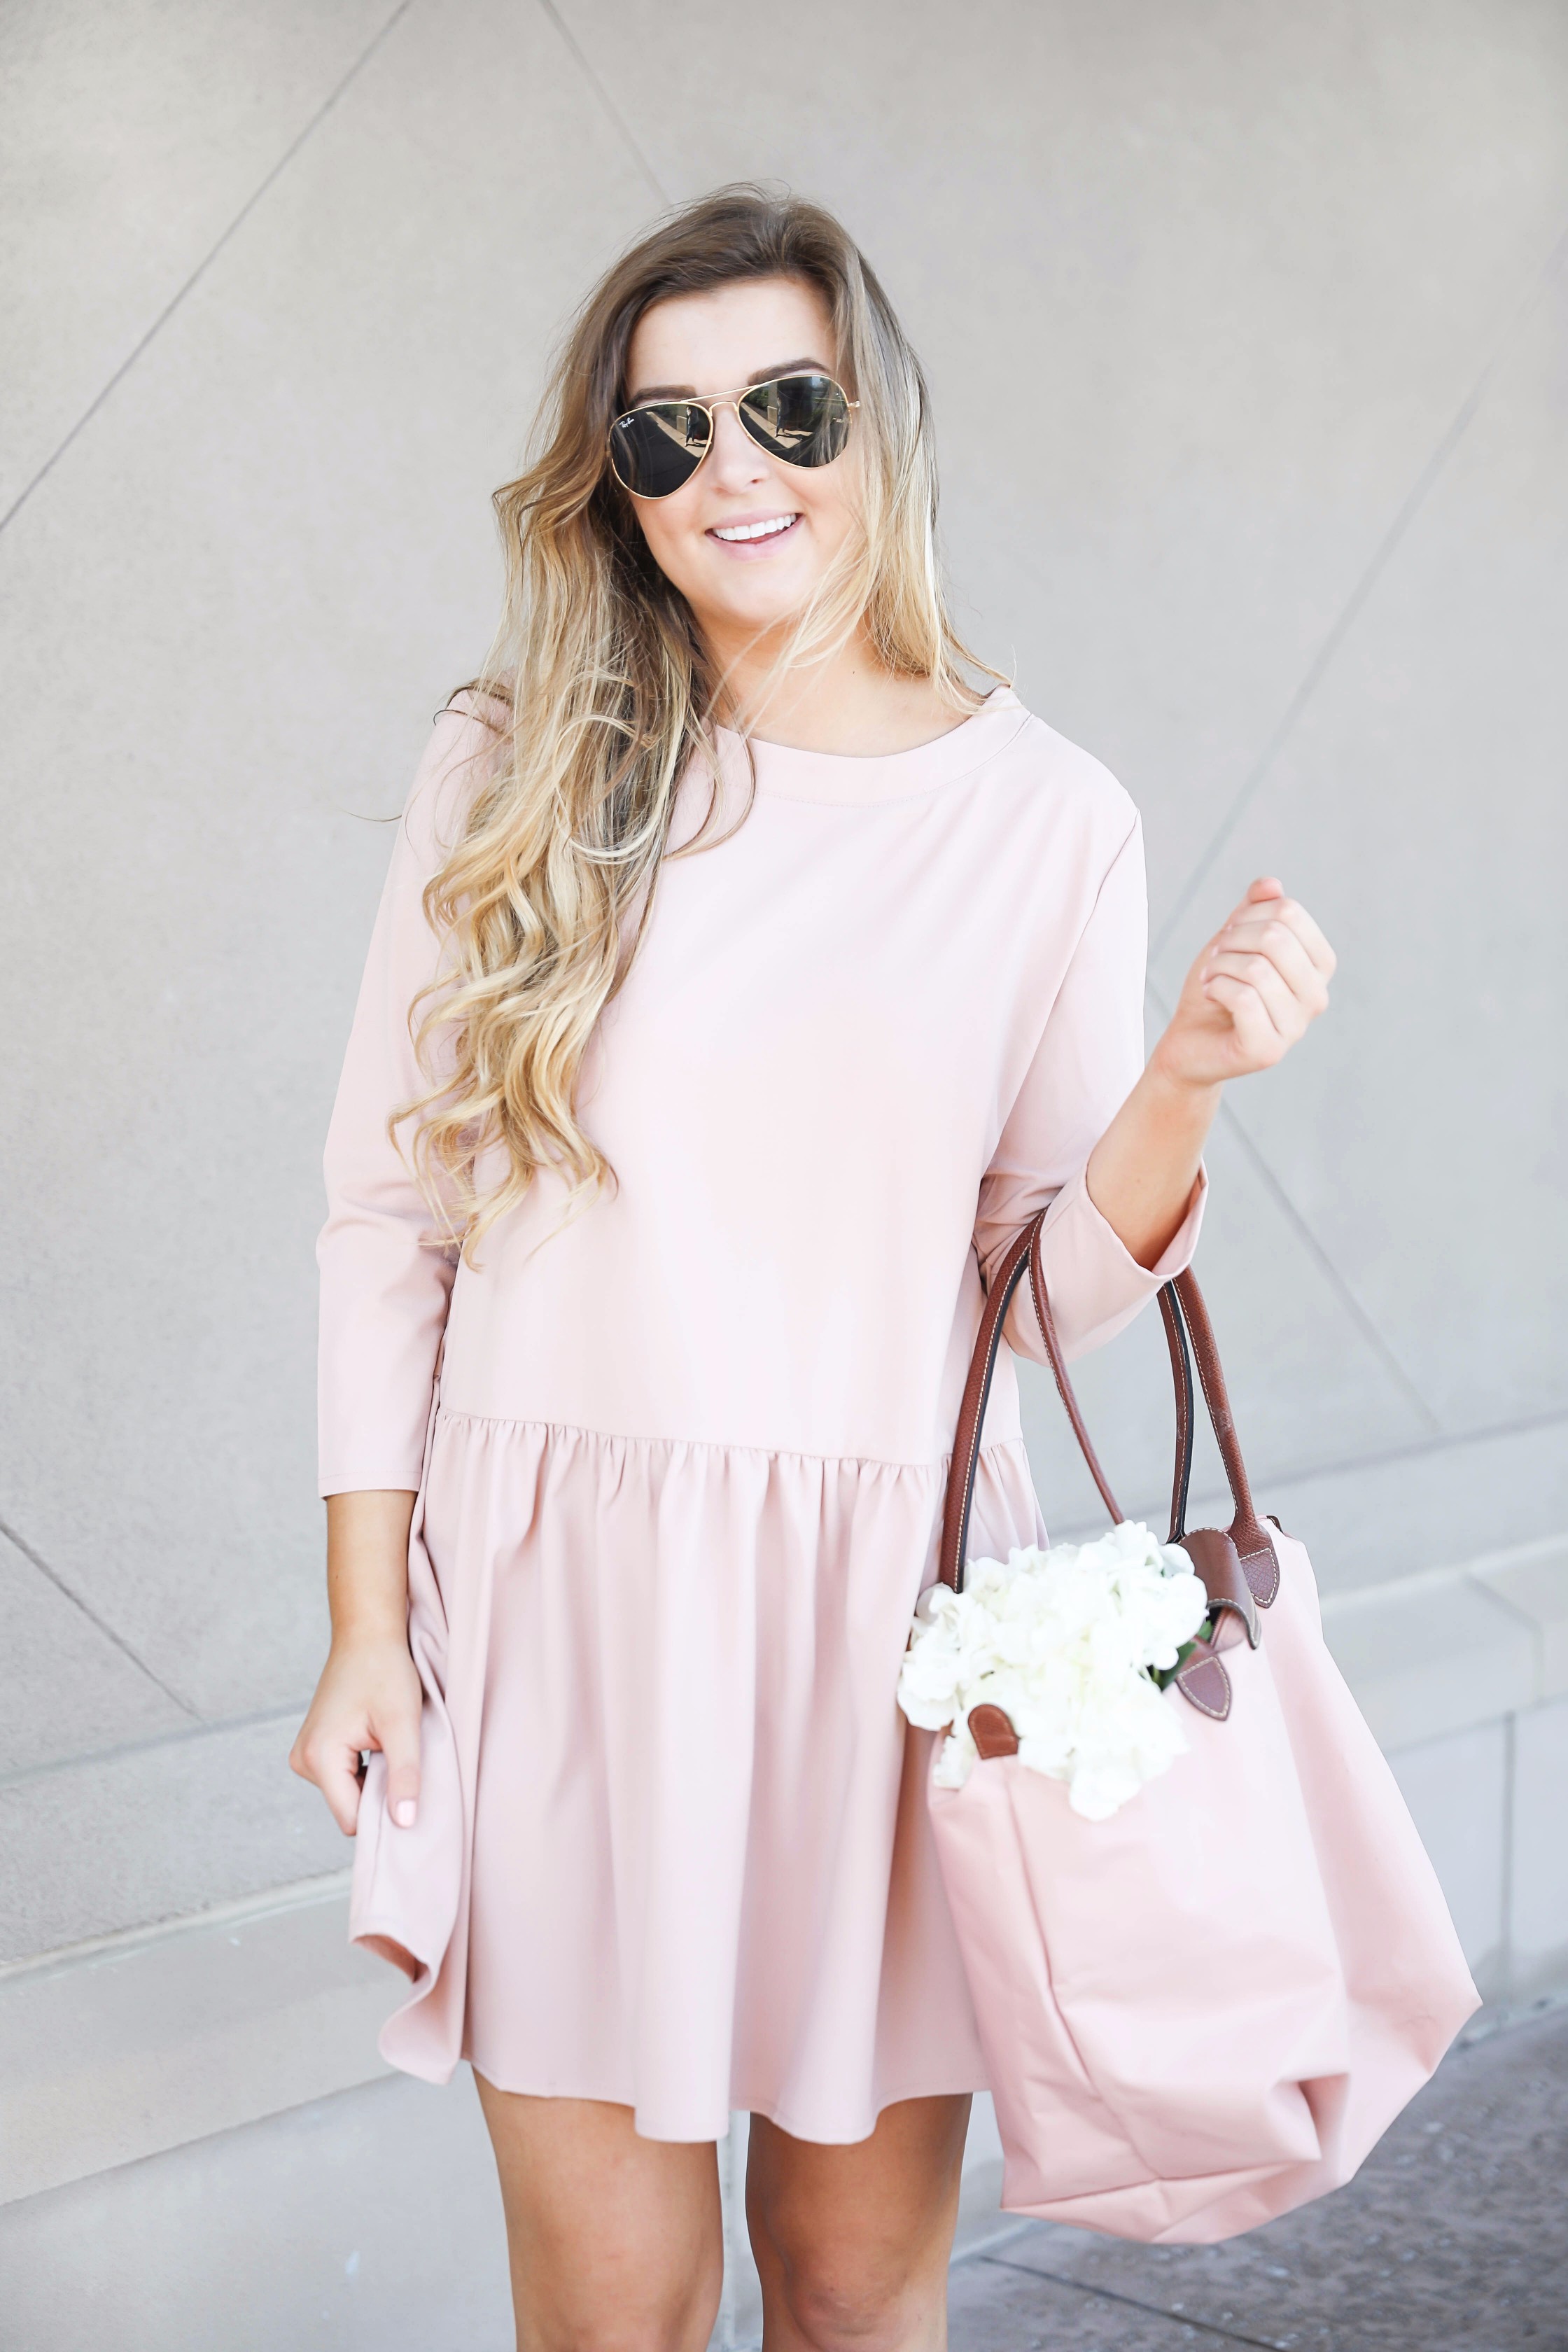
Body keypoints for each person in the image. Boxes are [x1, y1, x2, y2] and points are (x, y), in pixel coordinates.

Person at [290, 185, 1334, 2352]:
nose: (729, 470)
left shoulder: (1050, 819)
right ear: (616, 485)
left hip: (887, 1626)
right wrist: (365, 1626)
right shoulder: (515, 767)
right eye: (665, 434)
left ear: (878, 428)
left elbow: (1035, 1298)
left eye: (781, 406)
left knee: (857, 2298)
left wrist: (1191, 1085)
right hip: (565, 1605)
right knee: (611, 2315)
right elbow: (390, 1218)